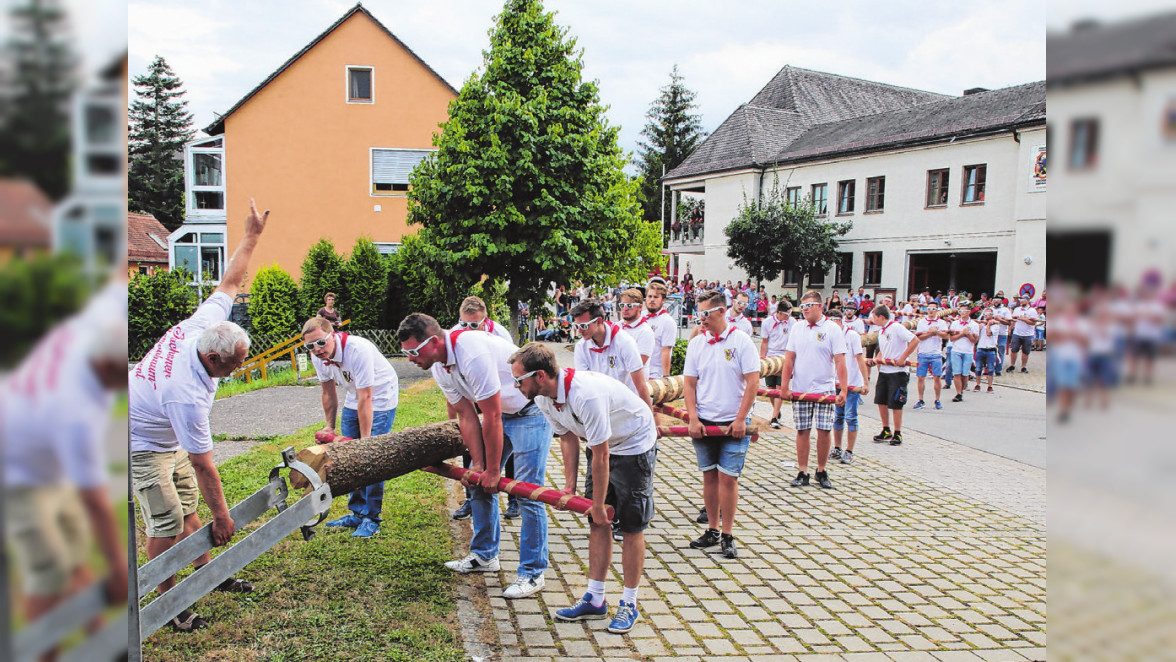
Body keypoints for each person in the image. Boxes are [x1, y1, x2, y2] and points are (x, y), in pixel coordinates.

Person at [129, 199, 268, 632]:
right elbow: (205, 465)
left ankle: (210, 577)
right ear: (211, 356)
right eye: (233, 365)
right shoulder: (186, 392)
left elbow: (230, 280)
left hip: (165, 434)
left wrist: (251, 236)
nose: (238, 370)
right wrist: (224, 518)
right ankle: (170, 606)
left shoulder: (201, 325)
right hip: (139, 443)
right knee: (168, 523)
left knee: (191, 512)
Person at [3, 285, 129, 657]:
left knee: (75, 549)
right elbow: (95, 501)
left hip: (46, 459)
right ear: (106, 366)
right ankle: (43, 651)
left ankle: (105, 644)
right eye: (123, 375)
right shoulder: (77, 410)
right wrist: (119, 568)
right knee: (49, 571)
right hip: (17, 474)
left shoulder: (83, 338)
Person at [397, 313, 552, 599]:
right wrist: (479, 466)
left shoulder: (471, 351)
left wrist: (494, 469)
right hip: (500, 414)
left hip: (530, 412)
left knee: (529, 491)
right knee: (477, 482)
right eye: (405, 353)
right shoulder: (439, 367)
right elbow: (467, 415)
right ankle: (485, 556)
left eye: (413, 352)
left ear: (433, 341)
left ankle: (532, 572)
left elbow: (491, 415)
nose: (409, 359)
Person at [511, 344, 657, 634]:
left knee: (630, 526)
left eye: (519, 380)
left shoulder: (585, 395)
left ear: (540, 375)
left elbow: (601, 455)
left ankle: (629, 603)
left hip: (633, 443)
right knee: (596, 521)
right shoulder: (543, 397)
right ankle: (595, 597)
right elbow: (567, 438)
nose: (515, 386)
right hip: (601, 444)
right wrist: (569, 488)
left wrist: (599, 502)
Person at [304, 316, 399, 537]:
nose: (317, 349)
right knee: (349, 456)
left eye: (321, 342)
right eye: (310, 346)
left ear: (333, 334)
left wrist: (365, 441)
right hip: (354, 396)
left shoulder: (358, 350)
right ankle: (356, 513)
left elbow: (367, 397)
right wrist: (329, 426)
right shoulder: (318, 356)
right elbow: (328, 392)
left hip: (381, 397)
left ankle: (371, 517)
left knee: (371, 457)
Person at [683, 290, 760, 558]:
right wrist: (692, 417)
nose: (701, 319)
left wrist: (741, 418)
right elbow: (689, 384)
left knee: (728, 479)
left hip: (733, 423)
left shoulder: (741, 341)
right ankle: (712, 530)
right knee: (709, 477)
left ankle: (728, 534)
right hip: (705, 421)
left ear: (721, 312)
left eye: (705, 314)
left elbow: (752, 382)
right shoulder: (696, 344)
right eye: (698, 314)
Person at [450, 296, 519, 520]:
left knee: (504, 450)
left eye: (474, 324)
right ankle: (470, 499)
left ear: (485, 320)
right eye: (464, 324)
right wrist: (454, 420)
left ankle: (514, 500)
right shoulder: (454, 336)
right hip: (475, 395)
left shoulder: (500, 334)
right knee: (473, 446)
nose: (469, 329)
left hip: (501, 397)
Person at [779, 291, 848, 488]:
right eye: (803, 306)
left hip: (824, 389)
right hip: (801, 388)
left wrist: (843, 389)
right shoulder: (797, 328)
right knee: (802, 430)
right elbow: (789, 358)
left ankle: (821, 469)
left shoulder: (832, 329)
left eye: (809, 305)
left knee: (824, 430)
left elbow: (840, 361)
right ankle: (803, 471)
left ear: (819, 306)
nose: (805, 309)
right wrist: (785, 386)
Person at [869, 304, 920, 445]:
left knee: (896, 402)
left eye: (874, 317)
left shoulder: (897, 327)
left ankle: (898, 433)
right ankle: (886, 430)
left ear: (881, 317)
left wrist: (903, 357)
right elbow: (883, 349)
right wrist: (877, 360)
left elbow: (915, 340)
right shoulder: (881, 332)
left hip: (898, 372)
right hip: (885, 370)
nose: (872, 320)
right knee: (881, 400)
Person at [827, 309, 869, 465]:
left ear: (840, 321)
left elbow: (859, 358)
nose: (832, 324)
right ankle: (837, 447)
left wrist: (865, 382)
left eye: (835, 320)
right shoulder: (829, 335)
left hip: (852, 383)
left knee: (851, 416)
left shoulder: (851, 336)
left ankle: (849, 450)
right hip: (835, 383)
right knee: (837, 417)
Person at [760, 300, 794, 429]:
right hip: (771, 357)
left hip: (785, 357)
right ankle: (776, 408)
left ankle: (774, 417)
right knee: (770, 389)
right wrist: (763, 358)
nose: (789, 316)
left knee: (780, 388)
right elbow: (764, 342)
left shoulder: (792, 323)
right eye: (787, 313)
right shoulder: (767, 322)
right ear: (779, 313)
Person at [912, 306, 948, 410]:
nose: (931, 311)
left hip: (936, 353)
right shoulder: (922, 322)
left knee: (937, 377)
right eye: (929, 308)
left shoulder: (941, 323)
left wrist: (936, 332)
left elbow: (946, 336)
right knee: (921, 377)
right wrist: (931, 333)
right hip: (923, 353)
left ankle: (937, 400)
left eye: (933, 309)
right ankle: (921, 400)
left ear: (937, 311)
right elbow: (919, 337)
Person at [642, 281, 677, 380]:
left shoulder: (668, 322)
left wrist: (666, 377)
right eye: (649, 296)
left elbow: (666, 350)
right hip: (638, 373)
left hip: (655, 375)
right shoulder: (640, 316)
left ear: (663, 300)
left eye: (656, 297)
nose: (652, 300)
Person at [947, 305, 980, 402]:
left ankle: (961, 390)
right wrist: (962, 334)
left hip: (968, 351)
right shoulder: (955, 324)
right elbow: (952, 338)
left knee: (965, 374)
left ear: (969, 312)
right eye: (961, 311)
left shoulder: (974, 325)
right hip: (956, 350)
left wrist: (968, 334)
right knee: (957, 373)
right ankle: (958, 393)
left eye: (965, 311)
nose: (963, 313)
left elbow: (974, 341)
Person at [618, 288, 655, 368]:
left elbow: (639, 363)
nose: (625, 309)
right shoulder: (616, 327)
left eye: (629, 306)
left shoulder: (645, 332)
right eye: (622, 305)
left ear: (640, 307)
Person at [1006, 296, 1038, 373]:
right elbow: (1013, 320)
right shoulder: (1017, 309)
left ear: (1028, 301)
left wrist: (1024, 319)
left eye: (1023, 300)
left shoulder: (1032, 311)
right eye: (1021, 300)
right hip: (1017, 333)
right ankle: (1012, 365)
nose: (1021, 301)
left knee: (1025, 351)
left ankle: (1023, 367)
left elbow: (1033, 323)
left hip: (1028, 334)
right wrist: (1010, 329)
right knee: (1014, 350)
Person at [972, 309, 1000, 393]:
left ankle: (990, 386)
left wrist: (988, 325)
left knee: (990, 368)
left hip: (990, 349)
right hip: (981, 348)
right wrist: (979, 326)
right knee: (978, 368)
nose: (987, 315)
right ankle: (977, 385)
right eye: (985, 314)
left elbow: (989, 333)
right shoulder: (981, 324)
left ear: (992, 315)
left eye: (989, 314)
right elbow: (977, 334)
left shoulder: (995, 325)